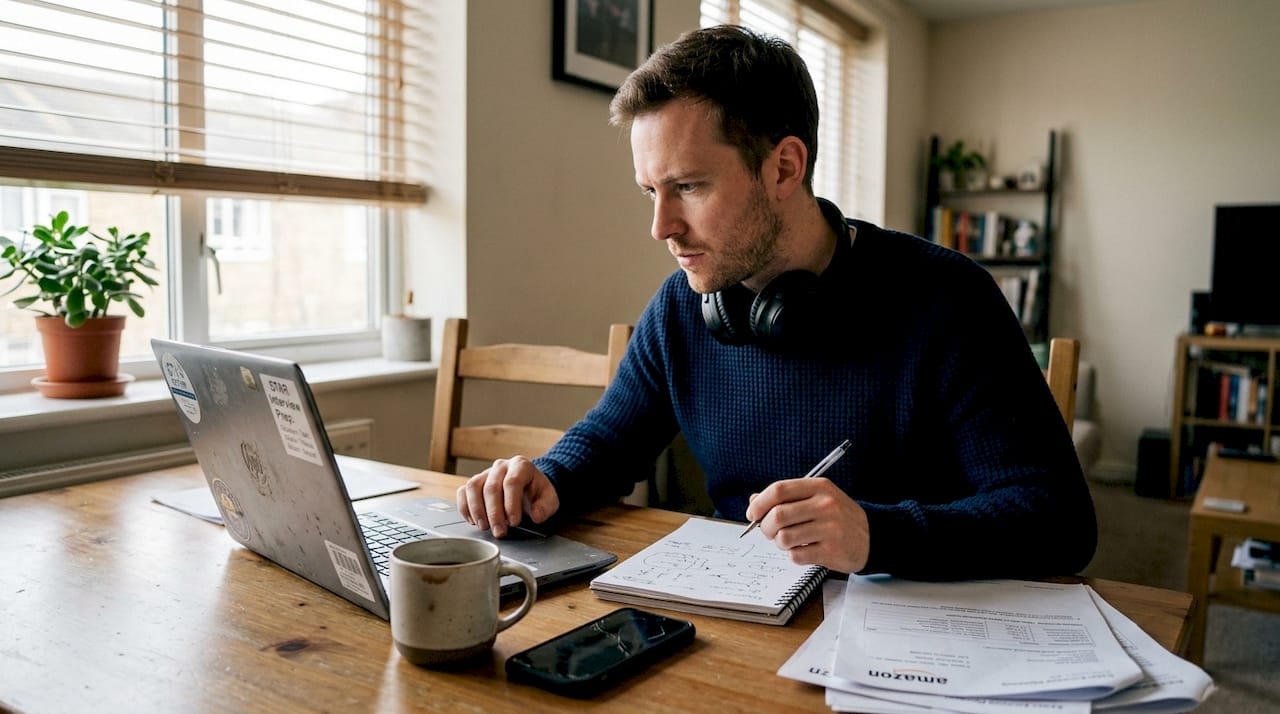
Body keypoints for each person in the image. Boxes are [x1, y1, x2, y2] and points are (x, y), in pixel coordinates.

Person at [457, 25, 1096, 580]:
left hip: (910, 625)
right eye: (650, 191)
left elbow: (1059, 520)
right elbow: (608, 441)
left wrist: (876, 535)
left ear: (785, 167)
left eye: (688, 186)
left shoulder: (950, 298)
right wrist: (549, 478)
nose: (661, 227)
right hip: (744, 611)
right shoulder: (684, 304)